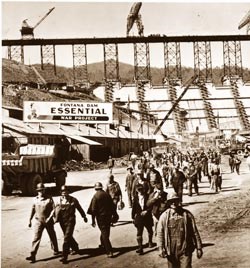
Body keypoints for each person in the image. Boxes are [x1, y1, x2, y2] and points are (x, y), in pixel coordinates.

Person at [157, 192, 203, 268]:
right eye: (171, 201)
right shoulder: (164, 216)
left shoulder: (187, 215)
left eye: (175, 200)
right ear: (168, 203)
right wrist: (160, 248)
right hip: (170, 250)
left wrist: (199, 247)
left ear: (178, 201)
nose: (173, 203)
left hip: (185, 249)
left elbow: (194, 231)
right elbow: (160, 233)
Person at [26, 183, 59, 263]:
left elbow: (53, 209)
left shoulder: (49, 198)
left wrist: (50, 218)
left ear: (44, 190)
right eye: (39, 190)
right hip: (38, 221)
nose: (41, 192)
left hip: (48, 220)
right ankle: (33, 255)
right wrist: (29, 220)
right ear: (37, 191)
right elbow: (33, 210)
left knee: (52, 235)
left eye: (42, 190)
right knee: (36, 237)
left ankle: (55, 250)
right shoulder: (35, 199)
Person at [55, 185, 88, 264]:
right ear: (61, 193)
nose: (64, 193)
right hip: (62, 222)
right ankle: (75, 247)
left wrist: (84, 216)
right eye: (63, 192)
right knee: (68, 236)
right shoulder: (58, 201)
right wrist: (53, 219)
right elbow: (55, 211)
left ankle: (64, 256)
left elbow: (79, 208)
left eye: (66, 192)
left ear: (68, 192)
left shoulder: (73, 200)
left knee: (66, 238)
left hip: (71, 221)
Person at [87, 182, 117, 258]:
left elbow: (93, 210)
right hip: (108, 216)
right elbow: (112, 206)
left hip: (100, 217)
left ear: (95, 188)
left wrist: (93, 220)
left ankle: (109, 251)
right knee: (106, 231)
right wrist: (115, 215)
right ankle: (103, 244)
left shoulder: (96, 196)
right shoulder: (107, 195)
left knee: (104, 233)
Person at [132, 184, 154, 255]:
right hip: (139, 218)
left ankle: (150, 242)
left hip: (147, 217)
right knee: (139, 232)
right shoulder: (135, 198)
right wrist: (133, 217)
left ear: (143, 189)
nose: (140, 191)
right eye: (139, 190)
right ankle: (140, 247)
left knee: (150, 230)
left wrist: (147, 211)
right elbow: (134, 208)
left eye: (141, 189)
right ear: (136, 190)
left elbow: (152, 206)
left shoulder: (148, 196)